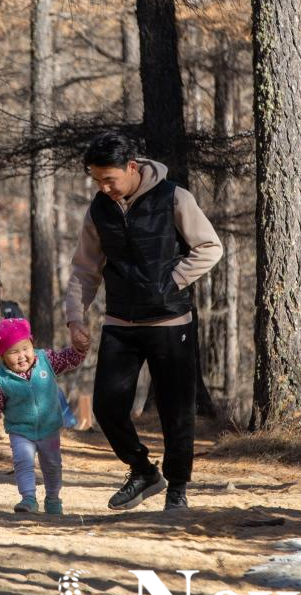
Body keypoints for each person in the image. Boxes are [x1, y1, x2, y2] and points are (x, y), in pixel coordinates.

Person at [64, 132, 223, 512]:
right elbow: (84, 269)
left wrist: (172, 281)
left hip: (171, 322)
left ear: (132, 167)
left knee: (176, 410)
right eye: (97, 181)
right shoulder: (99, 209)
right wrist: (75, 317)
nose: (103, 188)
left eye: (109, 180)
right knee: (107, 407)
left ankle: (177, 488)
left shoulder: (174, 197)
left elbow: (210, 247)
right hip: (120, 323)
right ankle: (143, 470)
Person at [0, 318, 84, 514]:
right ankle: (28, 499)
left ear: (32, 344)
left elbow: (69, 359)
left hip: (49, 429)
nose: (21, 356)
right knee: (23, 463)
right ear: (2, 356)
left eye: (25, 348)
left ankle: (53, 498)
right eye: (13, 352)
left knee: (53, 465)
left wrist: (80, 348)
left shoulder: (46, 360)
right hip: (20, 431)